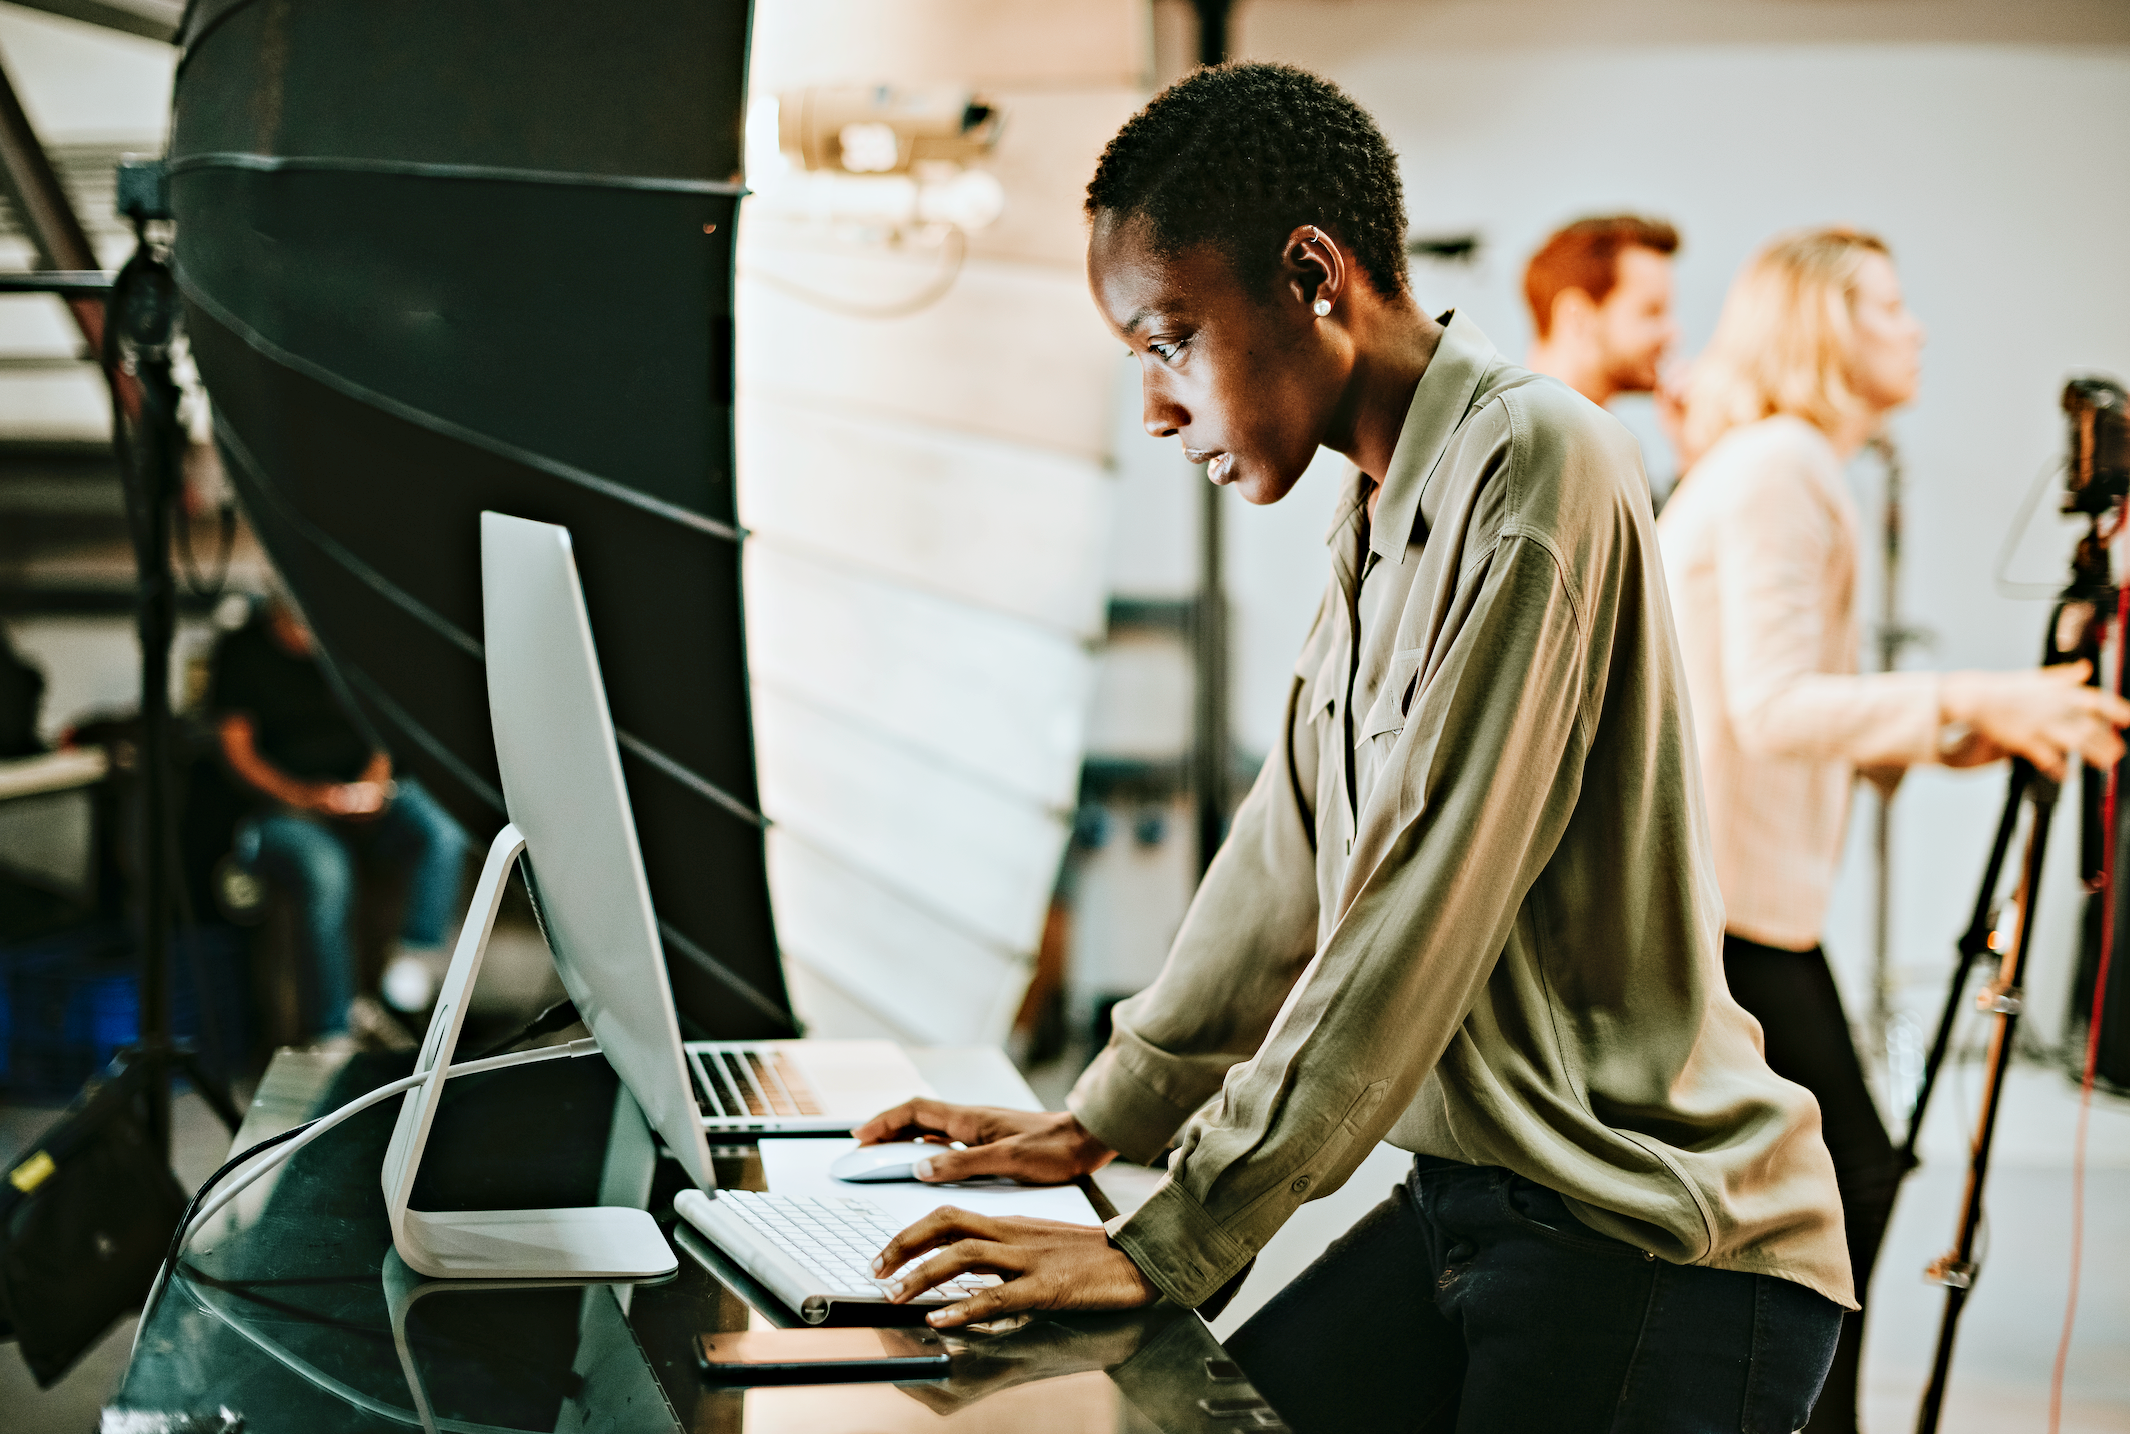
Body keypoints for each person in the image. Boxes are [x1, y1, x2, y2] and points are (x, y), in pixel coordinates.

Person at [851, 64, 1853, 1432]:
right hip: (1476, 1203)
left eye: (1168, 339)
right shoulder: (1380, 507)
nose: (1153, 408)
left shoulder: (1535, 460)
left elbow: (1406, 909)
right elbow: (1288, 853)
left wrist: (1169, 1234)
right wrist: (1099, 1118)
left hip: (1643, 1234)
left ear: (1313, 274)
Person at [1656, 227, 2130, 1434]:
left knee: (1823, 1184)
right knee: (1848, 1178)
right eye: (1886, 307)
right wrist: (1981, 700)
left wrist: (1956, 730)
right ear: (1821, 327)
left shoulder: (1775, 463)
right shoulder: (1784, 470)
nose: (1913, 330)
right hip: (1723, 910)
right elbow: (1770, 708)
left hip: (1728, 901)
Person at [209, 589, 470, 1048]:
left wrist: (372, 784)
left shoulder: (355, 640)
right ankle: (333, 1032)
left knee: (442, 827)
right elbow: (238, 754)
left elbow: (386, 728)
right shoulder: (242, 651)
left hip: (363, 795)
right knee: (325, 871)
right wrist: (307, 797)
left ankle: (417, 957)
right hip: (282, 809)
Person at [1522, 214, 1681, 411]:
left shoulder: (1597, 438)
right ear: (1577, 319)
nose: (1673, 333)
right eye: (1651, 312)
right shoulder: (1518, 438)